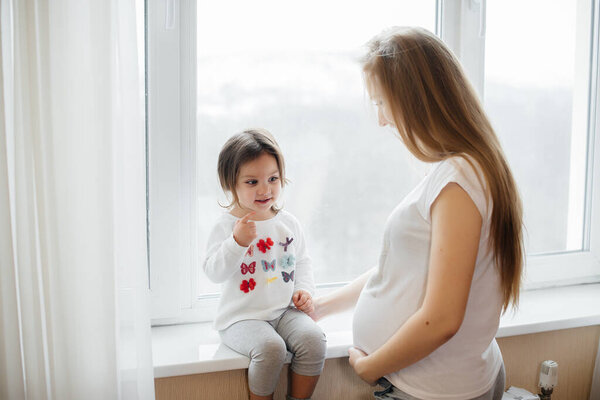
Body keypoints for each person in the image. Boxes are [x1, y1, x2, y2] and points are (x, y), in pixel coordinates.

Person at [310, 27, 523, 400]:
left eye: (381, 103)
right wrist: (322, 307)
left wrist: (370, 367)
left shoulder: (459, 180)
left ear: (414, 100)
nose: (381, 120)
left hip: (434, 390)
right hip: (444, 382)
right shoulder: (462, 170)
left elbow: (442, 319)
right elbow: (401, 270)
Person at [203, 128, 327, 400]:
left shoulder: (288, 223)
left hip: (283, 311)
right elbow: (213, 272)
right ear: (230, 184)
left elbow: (302, 262)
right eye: (251, 182)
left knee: (314, 340)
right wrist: (236, 242)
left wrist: (305, 291)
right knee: (271, 349)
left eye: (273, 178)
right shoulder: (227, 226)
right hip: (240, 318)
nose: (265, 189)